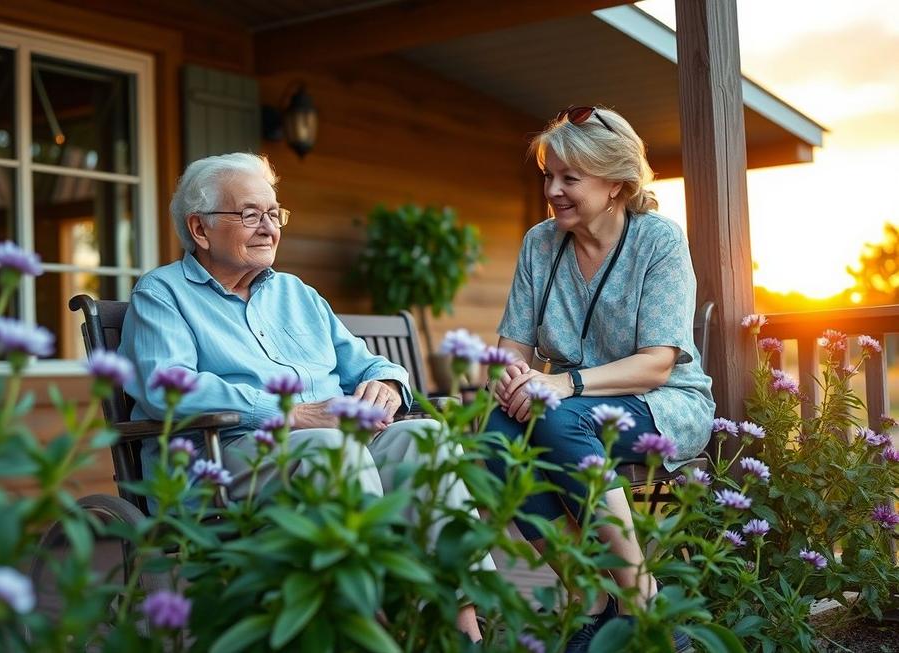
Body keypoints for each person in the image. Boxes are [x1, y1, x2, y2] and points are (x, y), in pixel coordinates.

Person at [118, 152, 492, 642]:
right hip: (223, 455)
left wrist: (389, 385)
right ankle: (371, 625)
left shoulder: (299, 294)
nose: (269, 227)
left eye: (275, 214)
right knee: (333, 452)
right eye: (250, 214)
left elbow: (372, 363)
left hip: (333, 441)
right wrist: (290, 414)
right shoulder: (162, 294)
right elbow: (169, 386)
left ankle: (462, 628)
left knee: (423, 436)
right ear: (200, 228)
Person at [486, 106, 714, 652]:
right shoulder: (541, 244)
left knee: (558, 418)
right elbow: (511, 346)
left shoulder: (657, 241)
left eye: (570, 178)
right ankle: (587, 595)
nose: (554, 190)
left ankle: (642, 600)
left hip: (663, 403)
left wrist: (565, 385)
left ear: (615, 183)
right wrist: (512, 375)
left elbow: (658, 362)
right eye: (549, 176)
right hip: (563, 409)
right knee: (495, 433)